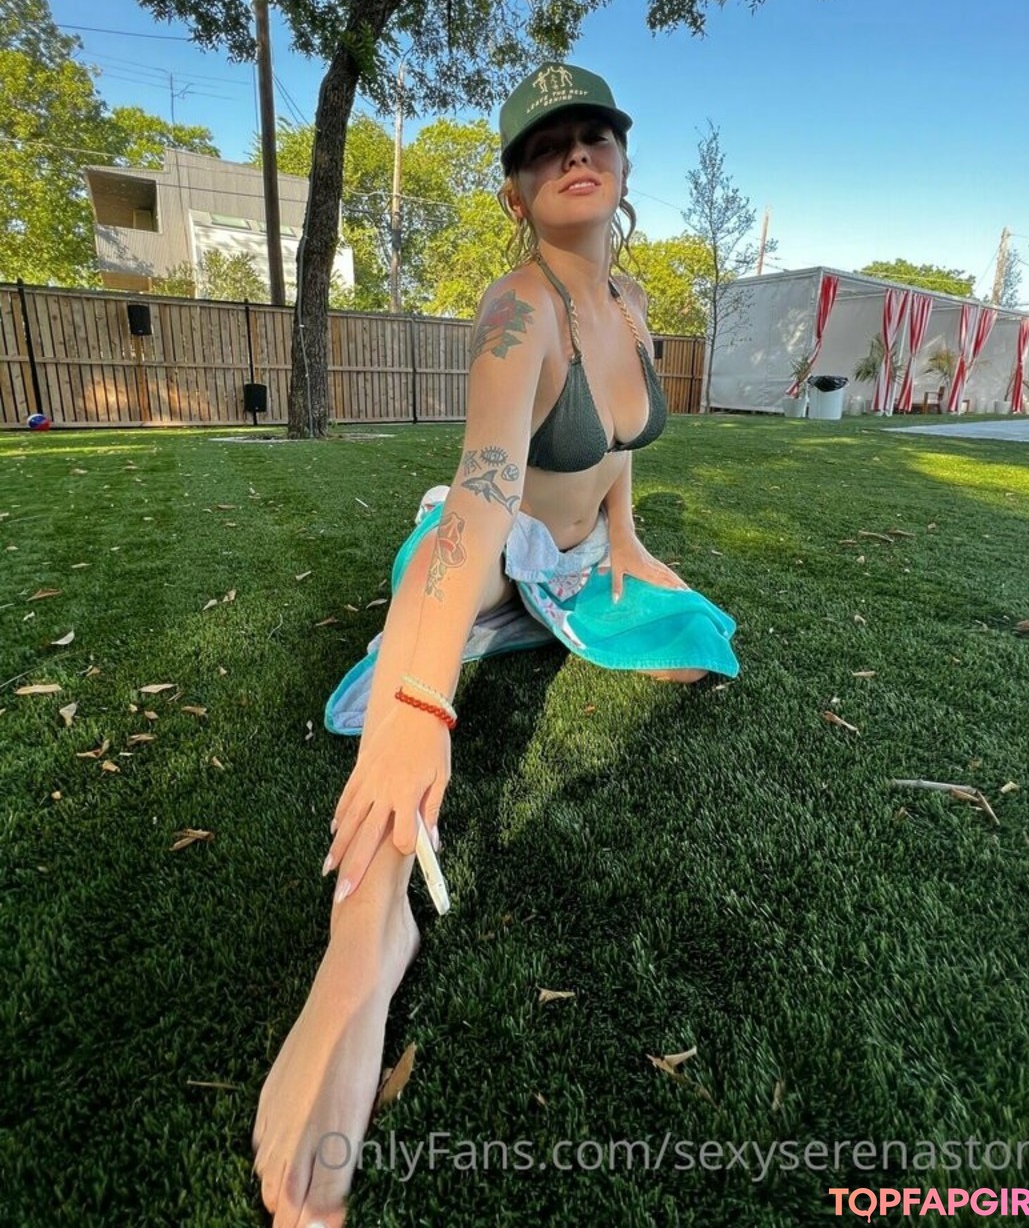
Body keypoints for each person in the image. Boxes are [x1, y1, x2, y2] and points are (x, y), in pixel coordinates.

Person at [251, 63, 739, 1228]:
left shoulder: (631, 304)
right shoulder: (516, 313)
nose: (574, 153)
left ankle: (530, 628)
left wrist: (630, 541)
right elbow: (478, 502)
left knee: (700, 644)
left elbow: (619, 450)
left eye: (594, 136)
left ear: (622, 164)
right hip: (483, 540)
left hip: (573, 561)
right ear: (517, 192)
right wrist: (423, 705)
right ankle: (364, 944)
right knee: (409, 679)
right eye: (544, 147)